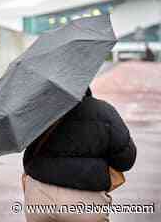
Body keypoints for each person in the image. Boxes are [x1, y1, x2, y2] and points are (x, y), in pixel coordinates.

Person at [23, 88, 137, 222]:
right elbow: (125, 160)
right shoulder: (104, 111)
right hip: (85, 206)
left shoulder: (39, 111)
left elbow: (27, 152)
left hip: (39, 201)